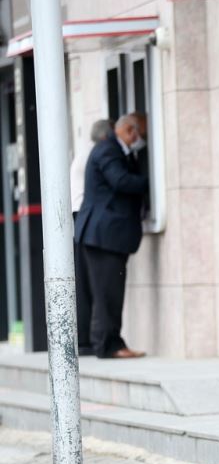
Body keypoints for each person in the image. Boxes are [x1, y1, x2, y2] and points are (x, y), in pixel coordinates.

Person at [74, 114, 149, 358]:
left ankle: (109, 342)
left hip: (105, 235)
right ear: (128, 130)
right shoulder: (109, 150)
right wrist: (149, 182)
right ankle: (109, 345)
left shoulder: (111, 149)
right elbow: (120, 181)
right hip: (103, 235)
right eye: (140, 133)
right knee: (107, 293)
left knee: (108, 292)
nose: (141, 139)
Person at [71, 118, 115, 356]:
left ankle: (85, 339)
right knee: (88, 282)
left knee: (85, 281)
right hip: (84, 217)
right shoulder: (95, 153)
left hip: (80, 217)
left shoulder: (85, 150)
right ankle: (86, 340)